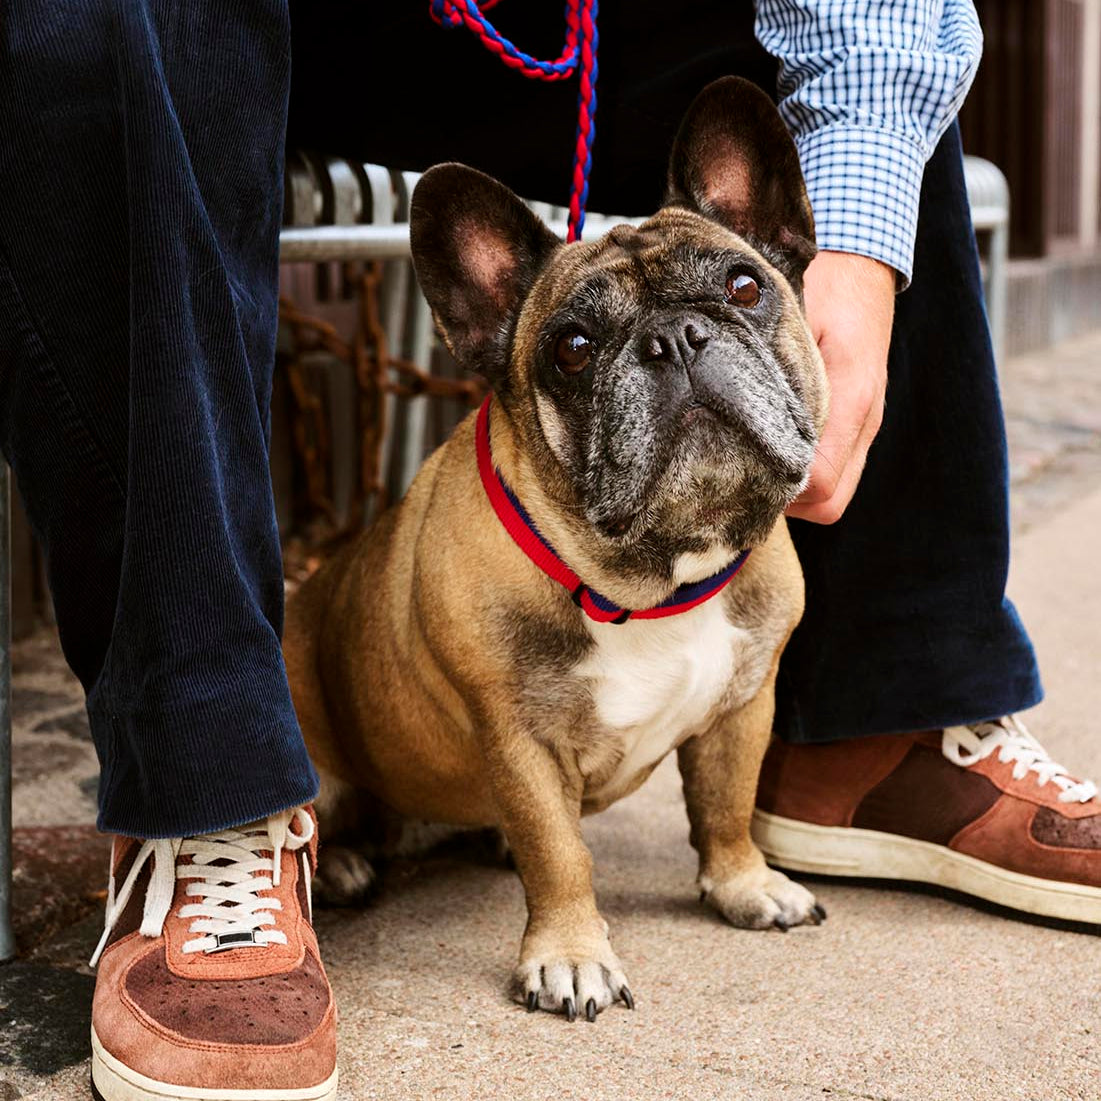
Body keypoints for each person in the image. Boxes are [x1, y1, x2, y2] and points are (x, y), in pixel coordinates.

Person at [0, 3, 1095, 1100]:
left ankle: (884, 719)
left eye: (740, 298)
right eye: (581, 351)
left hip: (585, 25)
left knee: (875, 82)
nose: (676, 354)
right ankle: (207, 793)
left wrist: (854, 255)